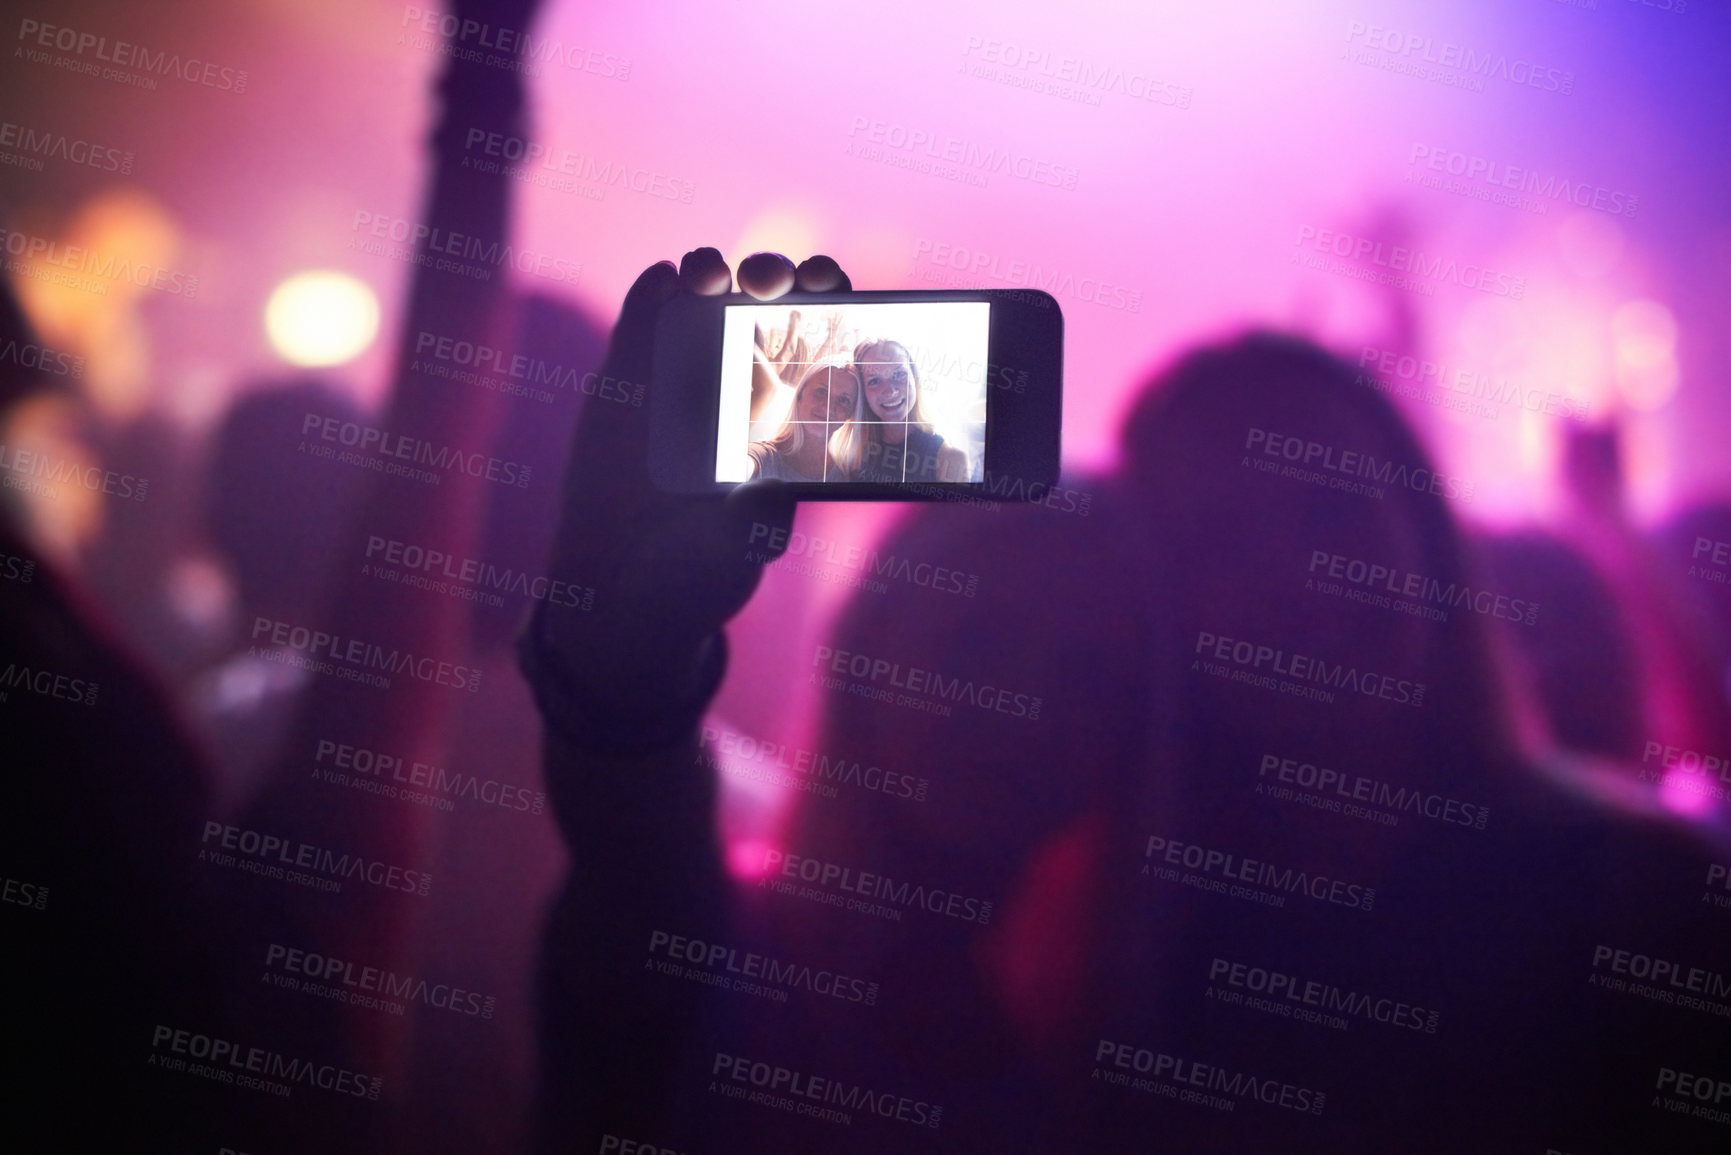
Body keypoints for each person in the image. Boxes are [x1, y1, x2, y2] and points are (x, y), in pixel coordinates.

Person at [520, 249, 1726, 1154]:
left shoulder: (1643, 902)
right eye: (1216, 539)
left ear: (1428, 544)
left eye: (1328, 516)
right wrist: (621, 672)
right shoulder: (1147, 993)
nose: (1293, 582)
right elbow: (633, 876)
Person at [832, 339, 967, 482]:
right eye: (874, 381)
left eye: (899, 374)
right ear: (863, 393)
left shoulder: (949, 459)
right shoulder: (846, 451)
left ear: (914, 377)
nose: (890, 390)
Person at [745, 358, 859, 482]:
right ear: (800, 394)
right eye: (822, 391)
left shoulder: (851, 474)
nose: (827, 407)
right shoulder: (762, 458)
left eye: (843, 400)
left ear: (850, 413)